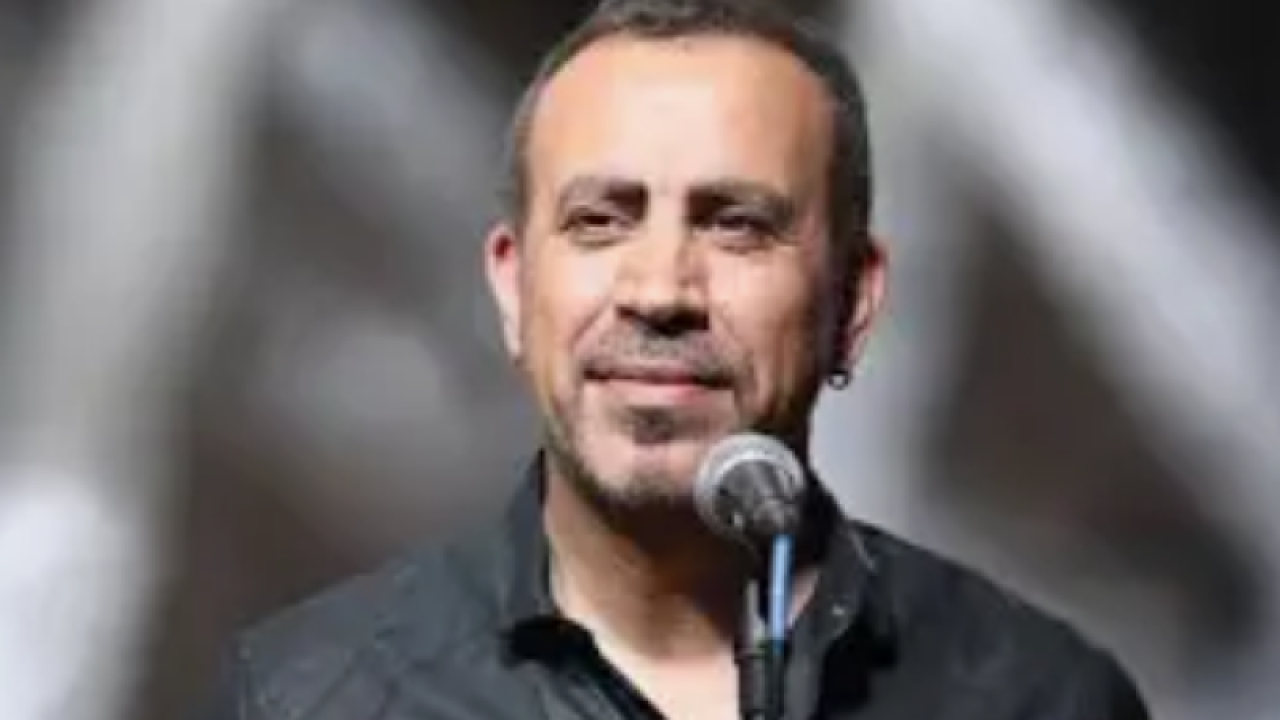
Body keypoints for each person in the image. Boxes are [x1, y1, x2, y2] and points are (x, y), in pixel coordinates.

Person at [202, 1, 1151, 718]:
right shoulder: (309, 696)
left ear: (854, 302)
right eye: (599, 221)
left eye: (736, 225)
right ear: (513, 289)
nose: (659, 290)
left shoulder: (1038, 696)